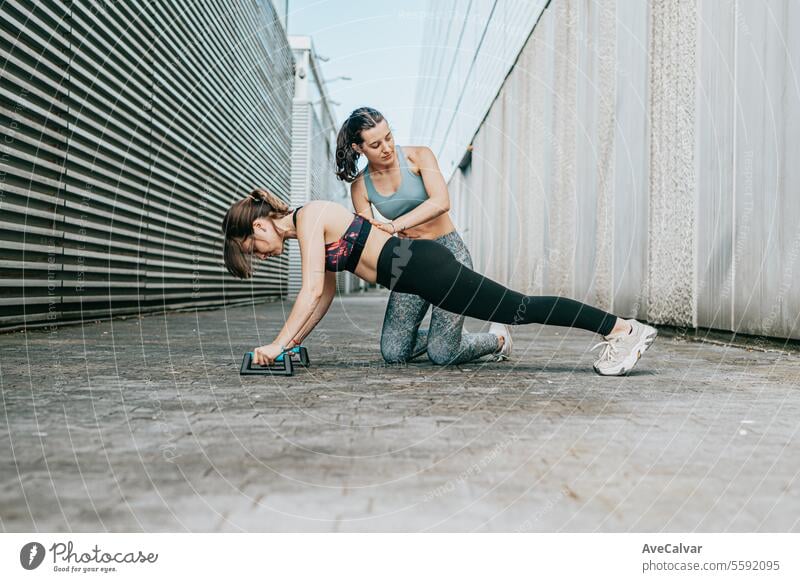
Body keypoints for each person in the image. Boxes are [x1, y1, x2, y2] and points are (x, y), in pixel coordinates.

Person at [221, 189, 658, 376]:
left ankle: (623, 329)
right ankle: (617, 329)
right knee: (514, 308)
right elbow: (325, 296)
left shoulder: (310, 216)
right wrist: (293, 342)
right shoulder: (306, 229)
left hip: (425, 268)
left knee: (522, 307)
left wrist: (277, 345)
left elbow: (311, 290)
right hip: (413, 277)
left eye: (250, 247)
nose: (258, 255)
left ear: (259, 225)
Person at [336, 107, 509, 365]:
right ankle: (448, 335)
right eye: (375, 144)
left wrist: (395, 226)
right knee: (393, 352)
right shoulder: (360, 186)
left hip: (448, 252)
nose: (386, 147)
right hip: (409, 260)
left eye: (388, 137)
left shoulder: (419, 156)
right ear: (359, 148)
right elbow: (370, 236)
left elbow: (441, 201)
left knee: (443, 355)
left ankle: (498, 339)